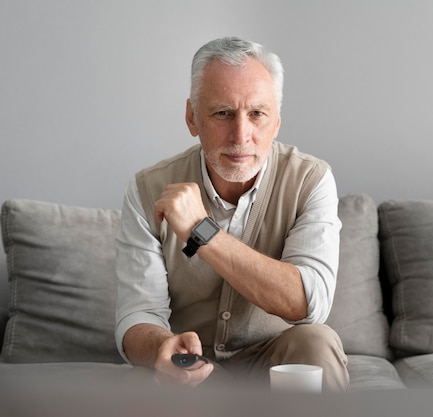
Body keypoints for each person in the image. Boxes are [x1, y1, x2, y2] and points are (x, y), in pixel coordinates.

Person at [114, 37, 349, 391]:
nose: (241, 135)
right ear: (193, 117)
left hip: (277, 360)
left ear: (276, 122)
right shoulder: (147, 189)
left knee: (316, 341)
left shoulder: (310, 180)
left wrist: (200, 229)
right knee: (145, 376)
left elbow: (307, 304)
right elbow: (138, 315)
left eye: (257, 114)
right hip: (194, 365)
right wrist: (162, 348)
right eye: (223, 113)